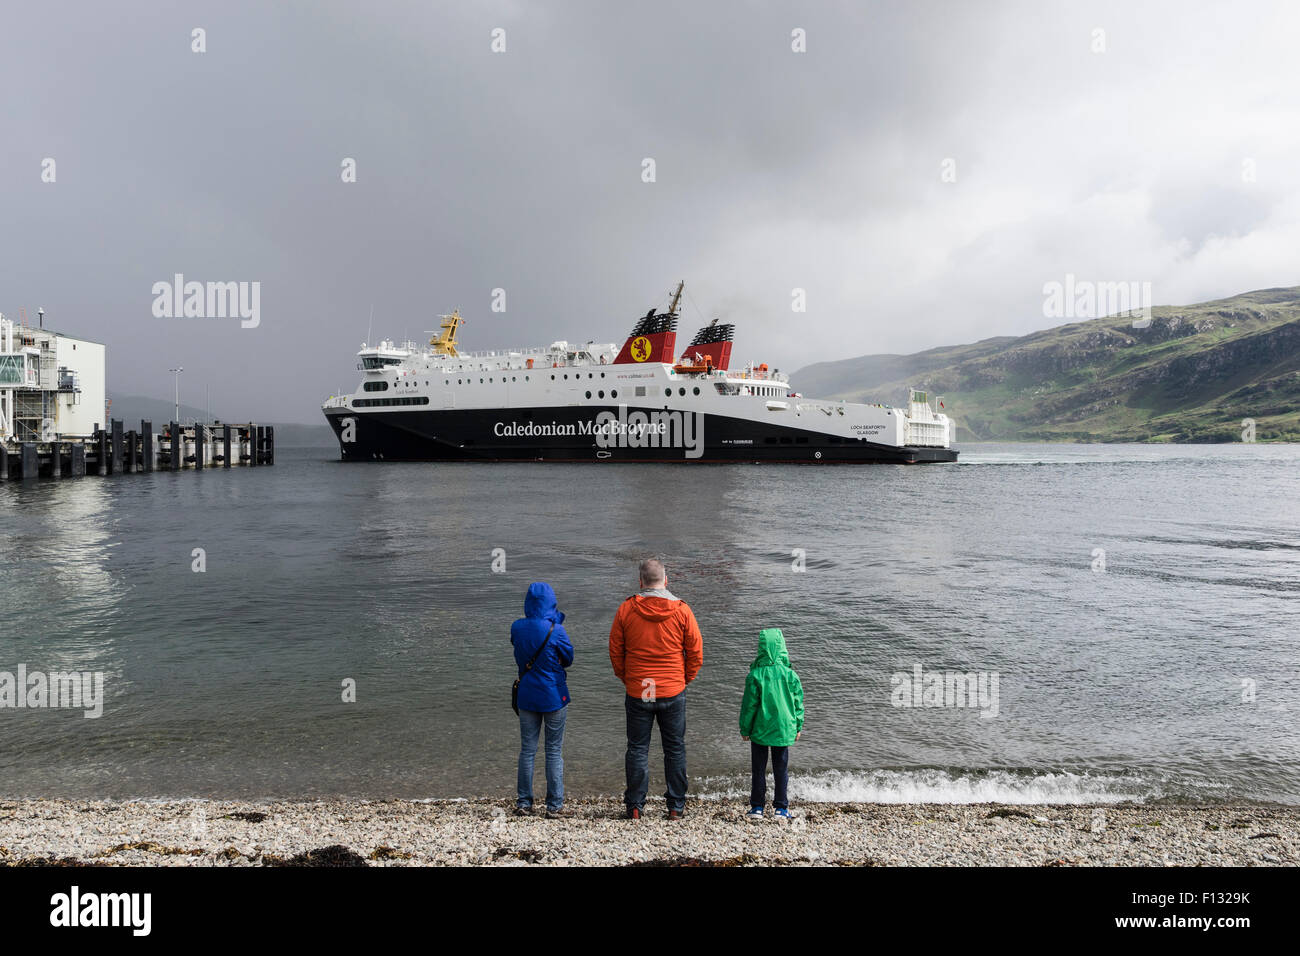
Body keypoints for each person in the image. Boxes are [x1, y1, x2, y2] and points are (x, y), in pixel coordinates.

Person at [608, 558, 703, 820]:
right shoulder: (683, 610)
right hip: (672, 689)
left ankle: (636, 806)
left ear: (640, 582)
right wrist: (683, 680)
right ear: (666, 581)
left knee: (638, 748)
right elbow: (696, 652)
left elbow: (616, 651)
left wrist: (627, 678)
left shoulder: (626, 609)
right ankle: (675, 806)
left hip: (640, 689)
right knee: (674, 748)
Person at [511, 582, 574, 818]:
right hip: (554, 696)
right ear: (551, 602)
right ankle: (554, 806)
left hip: (527, 695)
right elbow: (568, 658)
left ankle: (524, 803)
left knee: (527, 750)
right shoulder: (556, 630)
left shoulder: (517, 627)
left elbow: (518, 652)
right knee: (553, 751)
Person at [739, 628, 804, 821]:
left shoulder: (755, 675)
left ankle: (757, 807)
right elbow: (798, 703)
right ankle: (781, 808)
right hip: (783, 728)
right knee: (781, 769)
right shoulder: (791, 675)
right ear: (783, 648)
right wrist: (798, 726)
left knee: (758, 769)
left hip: (760, 728)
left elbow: (749, 706)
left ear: (761, 648)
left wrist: (745, 728)